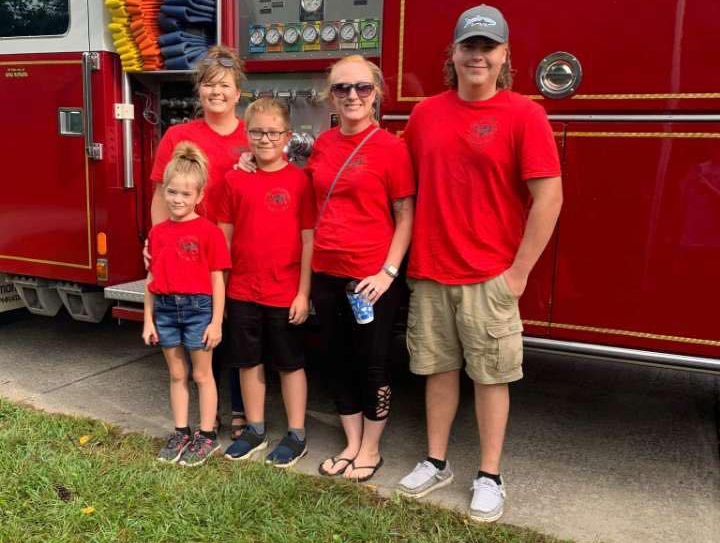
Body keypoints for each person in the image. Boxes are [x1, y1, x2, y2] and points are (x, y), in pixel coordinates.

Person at [395, 5, 563, 523]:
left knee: (491, 378)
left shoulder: (524, 114)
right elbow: (394, 179)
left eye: (488, 47)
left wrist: (518, 273)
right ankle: (436, 460)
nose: (478, 55)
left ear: (504, 55)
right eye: (469, 45)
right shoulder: (425, 115)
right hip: (430, 271)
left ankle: (489, 475)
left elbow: (550, 197)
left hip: (490, 276)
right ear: (454, 52)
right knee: (438, 372)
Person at [309, 55, 415, 482]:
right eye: (342, 88)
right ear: (330, 96)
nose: (352, 96)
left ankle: (371, 449)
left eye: (362, 88)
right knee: (335, 359)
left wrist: (387, 273)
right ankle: (351, 442)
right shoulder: (322, 143)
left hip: (370, 280)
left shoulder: (392, 148)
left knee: (373, 363)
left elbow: (406, 215)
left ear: (376, 94)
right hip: (325, 272)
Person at [149, 45, 248, 437]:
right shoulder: (178, 135)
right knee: (204, 333)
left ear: (238, 93)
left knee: (237, 328)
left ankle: (241, 410)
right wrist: (157, 248)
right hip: (192, 260)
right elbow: (160, 195)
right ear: (198, 92)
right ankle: (213, 415)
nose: (216, 92)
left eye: (224, 85)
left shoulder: (252, 136)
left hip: (243, 250)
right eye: (208, 85)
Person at [218, 98, 315, 468]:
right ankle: (255, 429)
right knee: (248, 361)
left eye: (274, 132)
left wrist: (303, 293)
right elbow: (224, 239)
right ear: (247, 134)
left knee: (290, 364)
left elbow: (309, 240)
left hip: (285, 292)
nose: (265, 139)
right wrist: (223, 292)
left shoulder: (299, 181)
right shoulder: (234, 180)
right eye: (257, 131)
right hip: (243, 290)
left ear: (287, 136)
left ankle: (296, 434)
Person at [142, 142, 232, 467]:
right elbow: (152, 279)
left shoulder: (209, 233)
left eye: (185, 194)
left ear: (199, 196)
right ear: (164, 192)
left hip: (198, 310)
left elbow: (217, 280)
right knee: (177, 374)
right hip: (165, 310)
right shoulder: (157, 233)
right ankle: (181, 431)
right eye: (172, 192)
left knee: (202, 376)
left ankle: (207, 435)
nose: (177, 200)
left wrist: (216, 322)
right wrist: (148, 320)